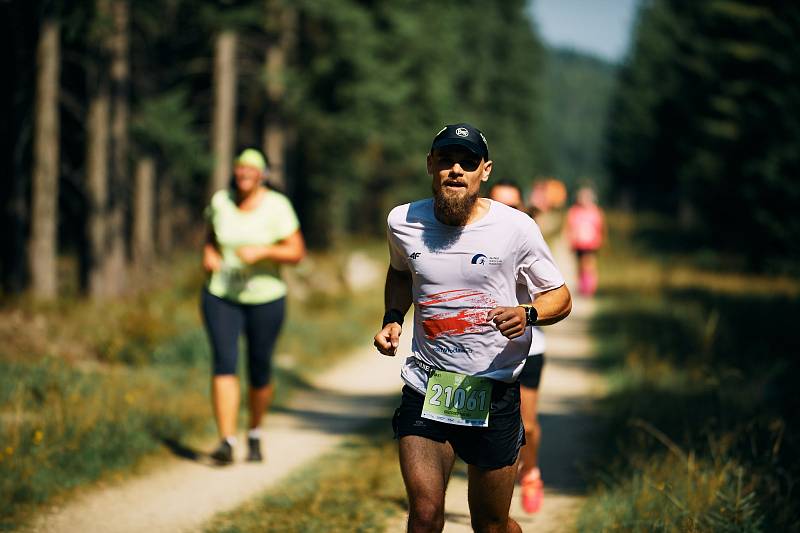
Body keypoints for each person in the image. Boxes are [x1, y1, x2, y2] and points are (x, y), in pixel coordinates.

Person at [374, 124, 571, 532]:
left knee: (491, 524)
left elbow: (560, 296)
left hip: (493, 389)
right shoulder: (402, 221)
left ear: (485, 171)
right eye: (446, 160)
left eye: (467, 162)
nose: (455, 170)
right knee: (425, 517)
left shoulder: (516, 227)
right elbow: (399, 273)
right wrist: (393, 318)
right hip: (427, 386)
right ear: (431, 165)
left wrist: (529, 313)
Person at [201, 148, 305, 464]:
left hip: (266, 297)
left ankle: (255, 431)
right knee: (224, 362)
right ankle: (227, 441)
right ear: (235, 172)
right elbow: (210, 234)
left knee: (259, 368)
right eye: (240, 169)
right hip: (221, 294)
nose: (244, 174)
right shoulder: (221, 202)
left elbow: (296, 251)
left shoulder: (277, 206)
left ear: (261, 175)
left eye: (251, 170)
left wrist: (263, 252)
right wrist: (209, 252)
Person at [487, 179, 546, 514]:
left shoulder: (528, 239)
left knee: (528, 424)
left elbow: (553, 295)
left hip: (529, 348)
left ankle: (532, 471)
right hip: (482, 352)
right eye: (499, 203)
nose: (506, 211)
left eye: (514, 205)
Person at [565, 186, 604, 296]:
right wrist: (570, 240)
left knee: (589, 265)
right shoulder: (574, 211)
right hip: (578, 244)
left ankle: (590, 288)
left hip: (591, 244)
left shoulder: (595, 211)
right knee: (580, 265)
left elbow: (600, 227)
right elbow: (569, 227)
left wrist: (600, 239)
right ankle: (582, 286)